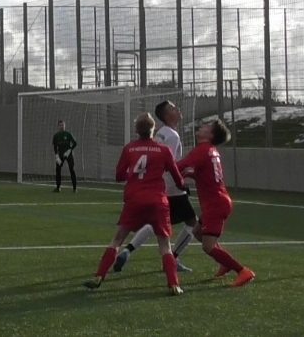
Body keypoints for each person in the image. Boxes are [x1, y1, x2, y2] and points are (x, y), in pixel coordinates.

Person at [83, 113, 186, 295]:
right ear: (153, 129)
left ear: (137, 130)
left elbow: (119, 175)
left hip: (134, 199)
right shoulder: (164, 150)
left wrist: (133, 175)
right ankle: (173, 284)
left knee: (117, 239)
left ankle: (99, 276)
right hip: (157, 201)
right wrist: (183, 184)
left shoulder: (129, 148)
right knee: (165, 245)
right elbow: (178, 179)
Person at [114, 100, 197, 273]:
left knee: (155, 223)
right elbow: (169, 164)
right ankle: (173, 258)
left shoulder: (161, 133)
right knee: (192, 222)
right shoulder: (173, 136)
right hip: (171, 188)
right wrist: (183, 178)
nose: (178, 109)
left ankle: (127, 251)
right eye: (173, 108)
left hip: (157, 187)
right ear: (167, 115)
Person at [176, 119, 255, 288]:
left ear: (211, 135)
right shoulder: (211, 151)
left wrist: (160, 163)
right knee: (197, 232)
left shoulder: (203, 149)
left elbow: (180, 165)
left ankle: (243, 271)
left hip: (216, 205)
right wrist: (192, 174)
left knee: (208, 246)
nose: (202, 126)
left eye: (207, 127)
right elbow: (209, 176)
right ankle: (225, 263)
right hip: (216, 202)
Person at [52, 120, 78, 193]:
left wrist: (69, 150)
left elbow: (75, 143)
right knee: (58, 170)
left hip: (68, 154)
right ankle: (58, 187)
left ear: (65, 126)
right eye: (60, 125)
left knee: (71, 169)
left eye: (63, 125)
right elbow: (55, 146)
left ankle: (75, 187)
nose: (62, 126)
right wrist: (56, 155)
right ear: (58, 126)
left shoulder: (68, 134)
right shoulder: (56, 136)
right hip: (60, 154)